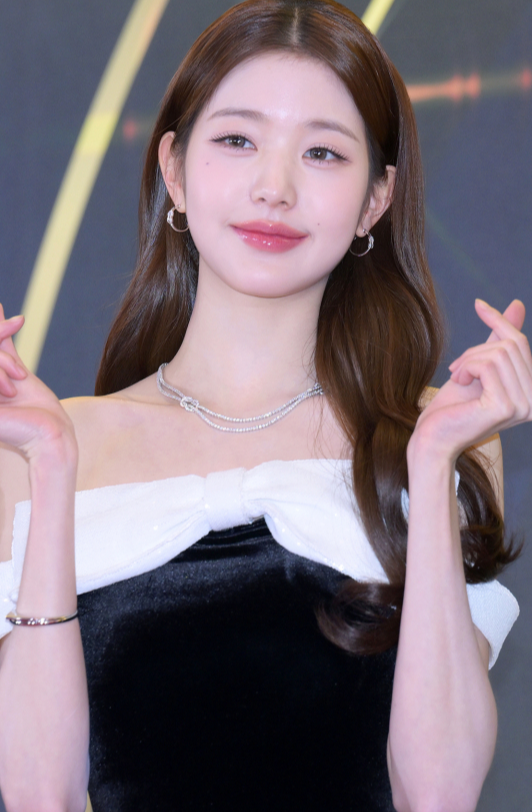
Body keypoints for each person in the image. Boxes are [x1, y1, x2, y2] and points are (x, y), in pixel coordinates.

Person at [0, 1, 529, 810]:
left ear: (375, 200)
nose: (274, 188)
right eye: (238, 141)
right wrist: (50, 461)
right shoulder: (46, 449)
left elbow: (440, 793)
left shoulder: (436, 439)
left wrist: (428, 464)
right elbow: (41, 795)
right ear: (175, 169)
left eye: (322, 152)